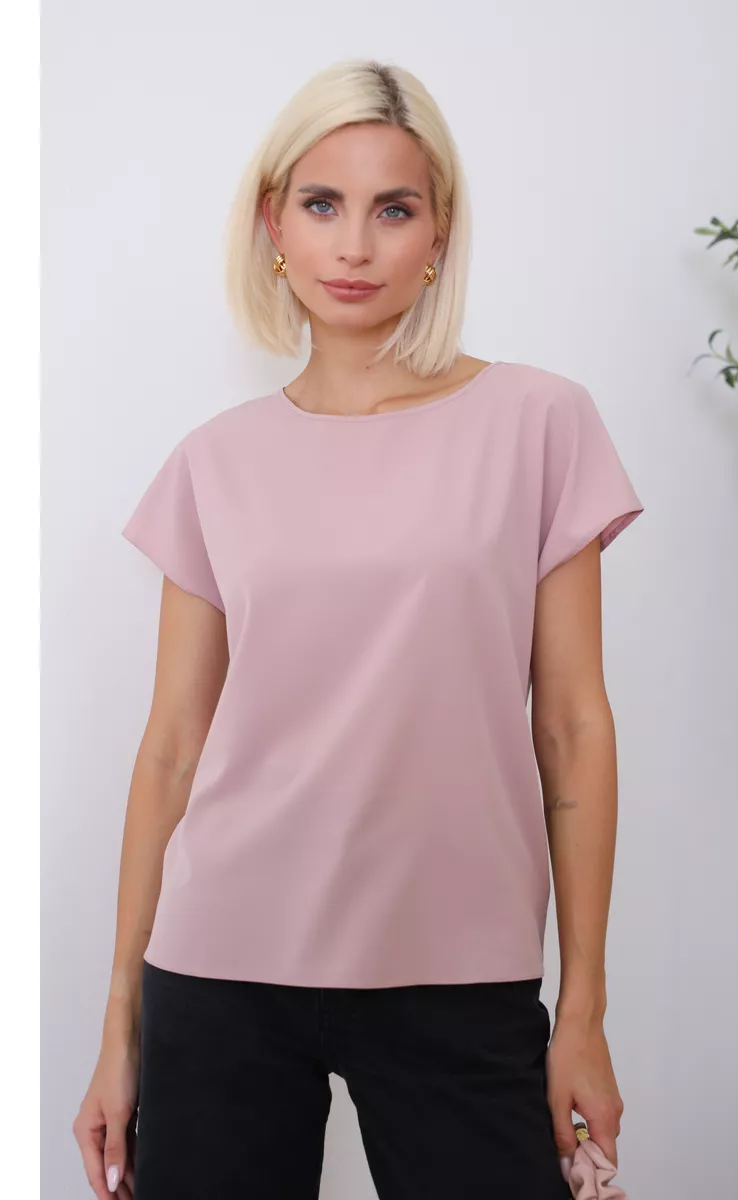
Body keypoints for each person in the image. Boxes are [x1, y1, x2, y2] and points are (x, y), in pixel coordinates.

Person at [72, 57, 644, 1200]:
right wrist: (118, 1024)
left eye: (394, 209)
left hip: (458, 971)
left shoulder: (539, 423)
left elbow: (573, 726)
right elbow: (173, 749)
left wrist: (581, 1007)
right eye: (323, 204)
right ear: (273, 224)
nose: (354, 245)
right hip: (220, 968)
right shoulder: (215, 461)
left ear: (439, 235)